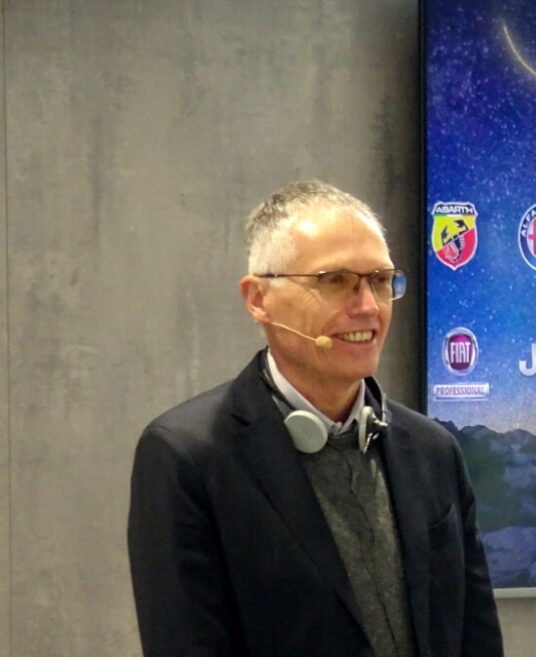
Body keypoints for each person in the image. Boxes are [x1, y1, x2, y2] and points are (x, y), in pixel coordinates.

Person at [128, 181, 503, 657]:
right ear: (258, 298)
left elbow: (476, 640)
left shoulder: (433, 450)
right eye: (334, 281)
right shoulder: (188, 457)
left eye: (380, 281)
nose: (367, 306)